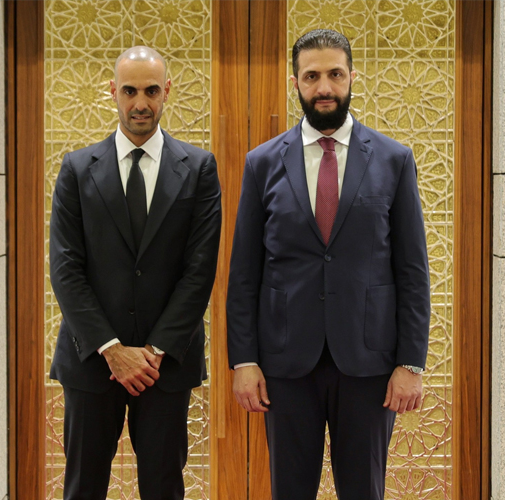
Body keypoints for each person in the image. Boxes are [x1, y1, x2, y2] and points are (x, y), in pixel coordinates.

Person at [226, 29, 430, 500]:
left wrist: (410, 362)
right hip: (284, 363)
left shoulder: (394, 160)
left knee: (363, 491)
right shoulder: (261, 163)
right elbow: (244, 275)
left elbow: (412, 272)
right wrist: (244, 360)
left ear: (353, 77)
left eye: (335, 74)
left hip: (369, 363)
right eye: (312, 76)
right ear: (294, 82)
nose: (324, 87)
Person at [49, 46, 221, 500]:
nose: (140, 103)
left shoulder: (199, 169)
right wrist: (112, 350)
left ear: (167, 91)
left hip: (165, 365)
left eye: (150, 91)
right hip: (92, 361)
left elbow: (199, 271)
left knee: (164, 488)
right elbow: (66, 268)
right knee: (83, 488)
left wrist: (154, 351)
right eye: (129, 91)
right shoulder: (77, 169)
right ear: (112, 92)